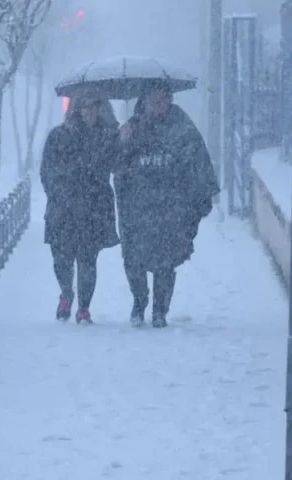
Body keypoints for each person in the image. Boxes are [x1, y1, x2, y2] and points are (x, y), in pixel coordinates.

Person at [114, 82, 220, 328]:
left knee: (165, 261)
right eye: (153, 99)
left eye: (163, 99)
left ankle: (160, 310)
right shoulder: (133, 128)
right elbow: (116, 164)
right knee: (134, 260)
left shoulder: (182, 129)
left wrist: (195, 199)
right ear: (144, 101)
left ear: (170, 100)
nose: (158, 105)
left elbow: (196, 161)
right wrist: (122, 143)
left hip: (169, 208)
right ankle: (139, 302)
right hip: (137, 208)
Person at [39, 93, 121, 324]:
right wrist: (60, 192)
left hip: (93, 210)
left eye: (94, 106)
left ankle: (84, 308)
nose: (89, 112)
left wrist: (121, 140)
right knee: (61, 259)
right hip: (62, 209)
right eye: (84, 107)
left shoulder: (107, 138)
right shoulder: (58, 136)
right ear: (76, 109)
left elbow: (116, 165)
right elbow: (47, 171)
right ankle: (66, 293)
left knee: (87, 261)